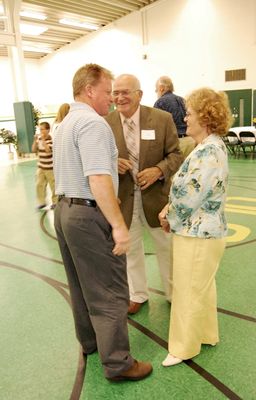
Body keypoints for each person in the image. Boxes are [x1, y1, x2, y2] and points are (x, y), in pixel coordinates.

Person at [53, 64, 152, 382]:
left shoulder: (66, 123)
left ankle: (91, 343)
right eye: (108, 91)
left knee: (81, 285)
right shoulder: (93, 124)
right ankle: (119, 363)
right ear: (89, 90)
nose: (112, 98)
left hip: (64, 211)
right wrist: (119, 225)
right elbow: (97, 179)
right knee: (109, 291)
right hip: (87, 215)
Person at [158, 87, 232, 367]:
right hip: (200, 231)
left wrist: (168, 216)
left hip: (197, 233)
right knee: (201, 287)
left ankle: (183, 347)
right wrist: (170, 208)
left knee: (188, 289)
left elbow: (190, 196)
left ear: (205, 117)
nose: (185, 118)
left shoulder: (209, 151)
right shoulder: (206, 147)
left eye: (189, 114)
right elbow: (186, 191)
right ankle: (204, 333)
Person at [105, 74, 183, 314]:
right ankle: (137, 293)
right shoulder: (104, 123)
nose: (120, 97)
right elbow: (97, 159)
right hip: (124, 200)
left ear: (139, 94)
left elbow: (176, 155)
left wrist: (158, 170)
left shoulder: (161, 119)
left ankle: (173, 293)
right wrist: (112, 162)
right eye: (115, 92)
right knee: (131, 250)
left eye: (125, 92)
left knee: (166, 248)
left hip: (156, 198)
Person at [154, 76, 195, 158]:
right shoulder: (182, 99)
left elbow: (156, 127)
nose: (156, 92)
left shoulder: (160, 102)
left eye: (156, 90)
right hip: (191, 141)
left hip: (176, 144)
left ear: (161, 88)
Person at [31, 121, 57, 210]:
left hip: (50, 168)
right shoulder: (38, 139)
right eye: (40, 129)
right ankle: (42, 202)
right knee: (39, 185)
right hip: (41, 167)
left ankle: (55, 202)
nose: (40, 131)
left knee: (53, 185)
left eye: (42, 129)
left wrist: (44, 141)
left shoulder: (51, 140)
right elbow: (34, 150)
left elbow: (48, 151)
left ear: (48, 130)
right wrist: (35, 140)